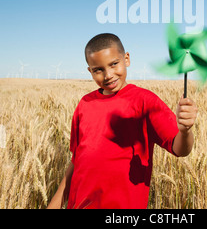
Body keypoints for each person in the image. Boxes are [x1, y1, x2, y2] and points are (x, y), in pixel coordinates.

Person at [47, 33, 198, 209]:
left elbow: (180, 149)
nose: (108, 75)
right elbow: (76, 163)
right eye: (98, 70)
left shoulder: (146, 101)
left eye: (113, 64)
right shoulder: (84, 104)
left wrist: (185, 131)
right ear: (90, 71)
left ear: (126, 59)